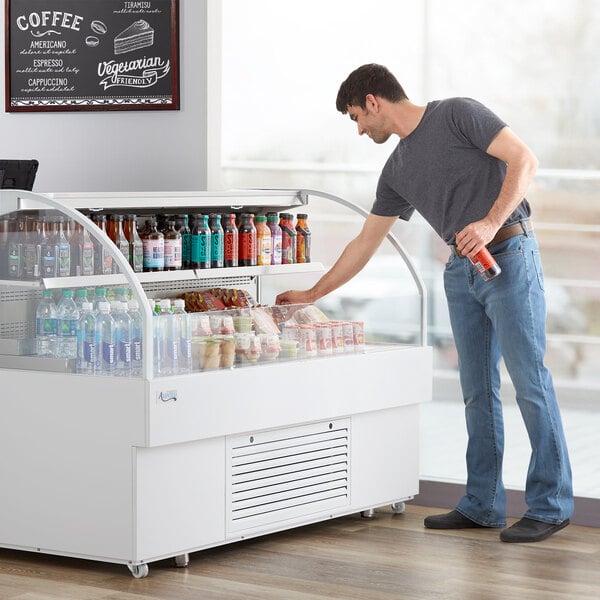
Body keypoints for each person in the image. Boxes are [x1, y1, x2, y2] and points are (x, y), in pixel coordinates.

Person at [276, 63, 573, 543]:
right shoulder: (396, 170)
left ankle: (550, 504)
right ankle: (482, 505)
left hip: (511, 255)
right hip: (462, 271)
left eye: (356, 117)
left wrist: (490, 223)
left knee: (530, 382)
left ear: (373, 101)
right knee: (476, 391)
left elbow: (525, 161)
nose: (358, 129)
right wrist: (311, 295)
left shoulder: (458, 114)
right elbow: (364, 243)